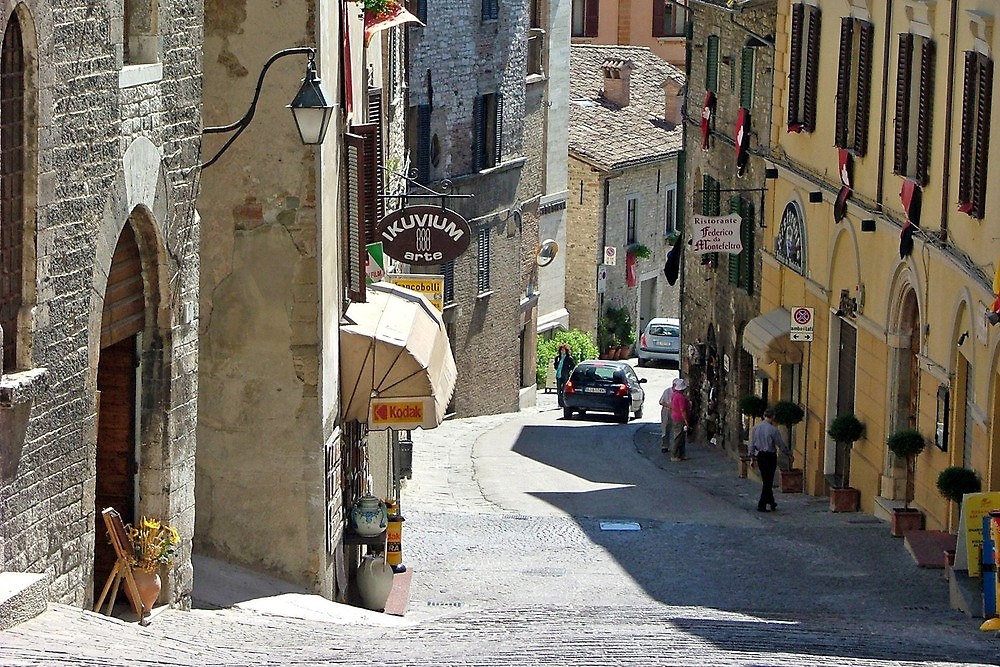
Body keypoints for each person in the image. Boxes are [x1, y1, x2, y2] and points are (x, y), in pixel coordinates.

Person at [748, 407, 787, 512]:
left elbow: (751, 444)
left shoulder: (756, 428)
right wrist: (788, 453)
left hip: (760, 456)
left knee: (766, 480)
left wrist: (752, 458)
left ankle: (771, 501)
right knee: (768, 481)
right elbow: (780, 444)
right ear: (773, 417)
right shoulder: (773, 430)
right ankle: (762, 505)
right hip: (770, 457)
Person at [669, 378, 691, 461]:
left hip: (675, 417)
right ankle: (674, 455)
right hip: (679, 419)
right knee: (678, 437)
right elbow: (682, 410)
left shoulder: (674, 394)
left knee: (681, 437)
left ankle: (681, 454)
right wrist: (686, 421)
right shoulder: (680, 397)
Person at [658, 378, 682, 452]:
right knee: (665, 427)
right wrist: (670, 406)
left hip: (676, 411)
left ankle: (675, 446)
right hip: (667, 410)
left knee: (676, 428)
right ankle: (665, 445)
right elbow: (661, 402)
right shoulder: (667, 391)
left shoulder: (680, 393)